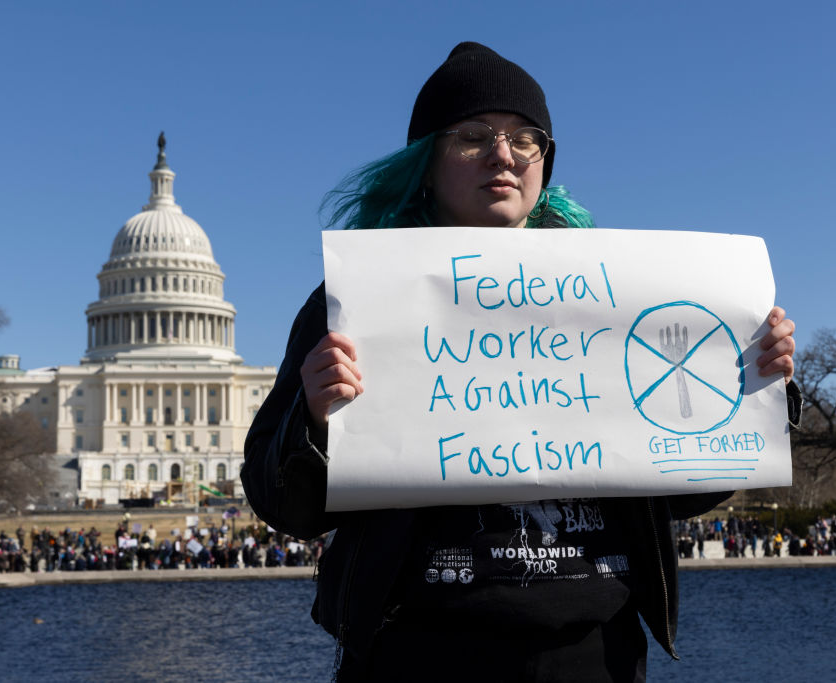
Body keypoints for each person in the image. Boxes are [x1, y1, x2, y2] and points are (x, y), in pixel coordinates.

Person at [243, 42, 799, 682]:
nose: (503, 155)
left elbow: (686, 491)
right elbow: (282, 504)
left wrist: (755, 388)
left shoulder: (620, 297)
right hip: (419, 654)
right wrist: (313, 420)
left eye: (525, 139)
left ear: (544, 162)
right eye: (473, 136)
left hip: (596, 651)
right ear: (424, 162)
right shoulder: (351, 302)